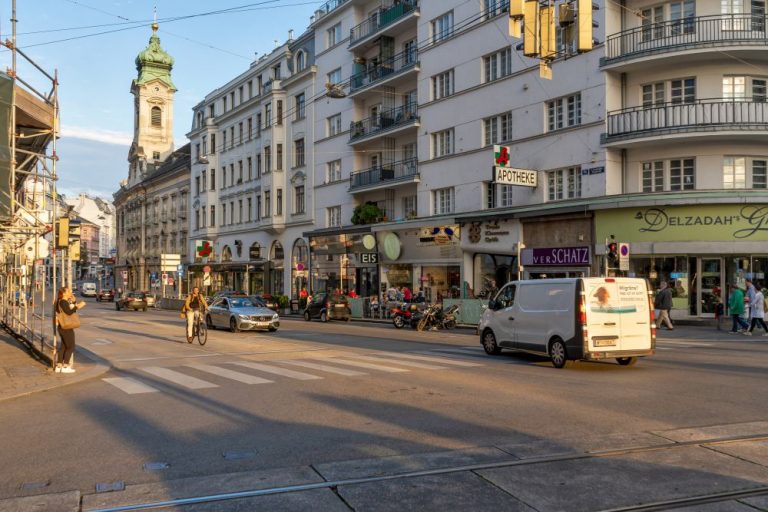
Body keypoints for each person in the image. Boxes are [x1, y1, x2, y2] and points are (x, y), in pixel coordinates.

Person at [54, 287, 86, 374]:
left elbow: (68, 309)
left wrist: (74, 302)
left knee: (64, 346)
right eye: (68, 291)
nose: (70, 292)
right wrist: (77, 306)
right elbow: (69, 312)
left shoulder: (60, 301)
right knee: (71, 347)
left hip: (62, 326)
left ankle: (59, 366)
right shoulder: (63, 301)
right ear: (64, 293)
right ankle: (66, 366)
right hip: (66, 327)